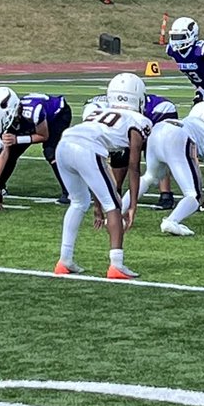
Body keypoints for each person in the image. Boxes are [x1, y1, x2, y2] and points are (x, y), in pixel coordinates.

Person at [54, 74, 151, 280]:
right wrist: (133, 205)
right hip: (87, 150)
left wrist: (97, 205)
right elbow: (133, 167)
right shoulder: (137, 120)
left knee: (78, 202)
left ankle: (64, 260)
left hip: (64, 145)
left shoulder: (98, 111)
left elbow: (101, 171)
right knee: (114, 205)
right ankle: (117, 264)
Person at [125, 101, 204, 235]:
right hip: (178, 136)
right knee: (194, 195)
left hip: (159, 129)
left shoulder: (193, 122)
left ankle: (118, 212)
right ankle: (172, 221)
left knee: (149, 177)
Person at [0, 86, 72, 203]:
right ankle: (0, 186)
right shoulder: (7, 116)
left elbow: (43, 136)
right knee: (11, 151)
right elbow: (4, 151)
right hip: (30, 120)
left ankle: (70, 191)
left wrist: (17, 139)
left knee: (51, 151)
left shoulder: (33, 112)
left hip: (57, 116)